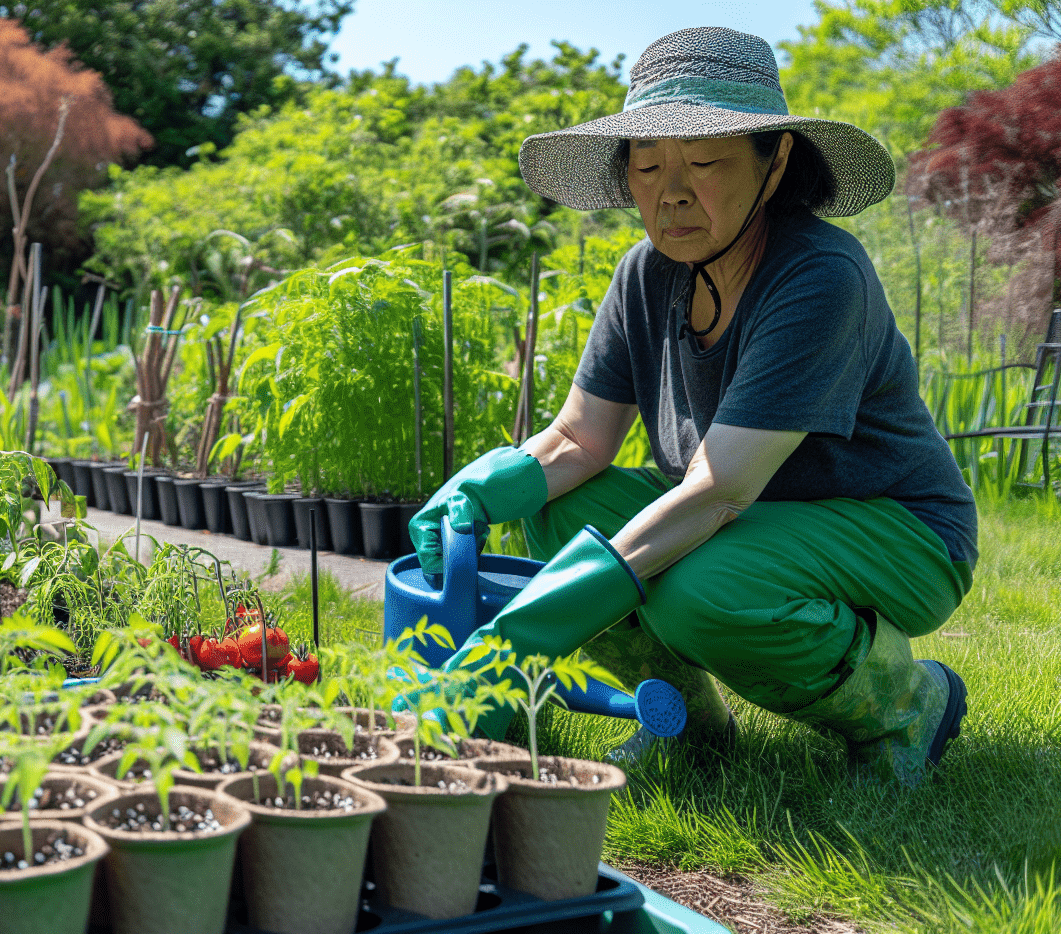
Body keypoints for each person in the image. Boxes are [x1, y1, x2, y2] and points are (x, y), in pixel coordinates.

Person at [408, 27, 975, 787]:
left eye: (704, 162)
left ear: (775, 163)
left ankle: (904, 706)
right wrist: (484, 488)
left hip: (895, 529)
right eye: (648, 165)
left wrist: (530, 629)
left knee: (699, 593)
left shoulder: (820, 274)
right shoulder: (646, 275)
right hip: (748, 518)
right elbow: (579, 439)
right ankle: (685, 722)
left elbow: (720, 489)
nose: (671, 191)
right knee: (556, 506)